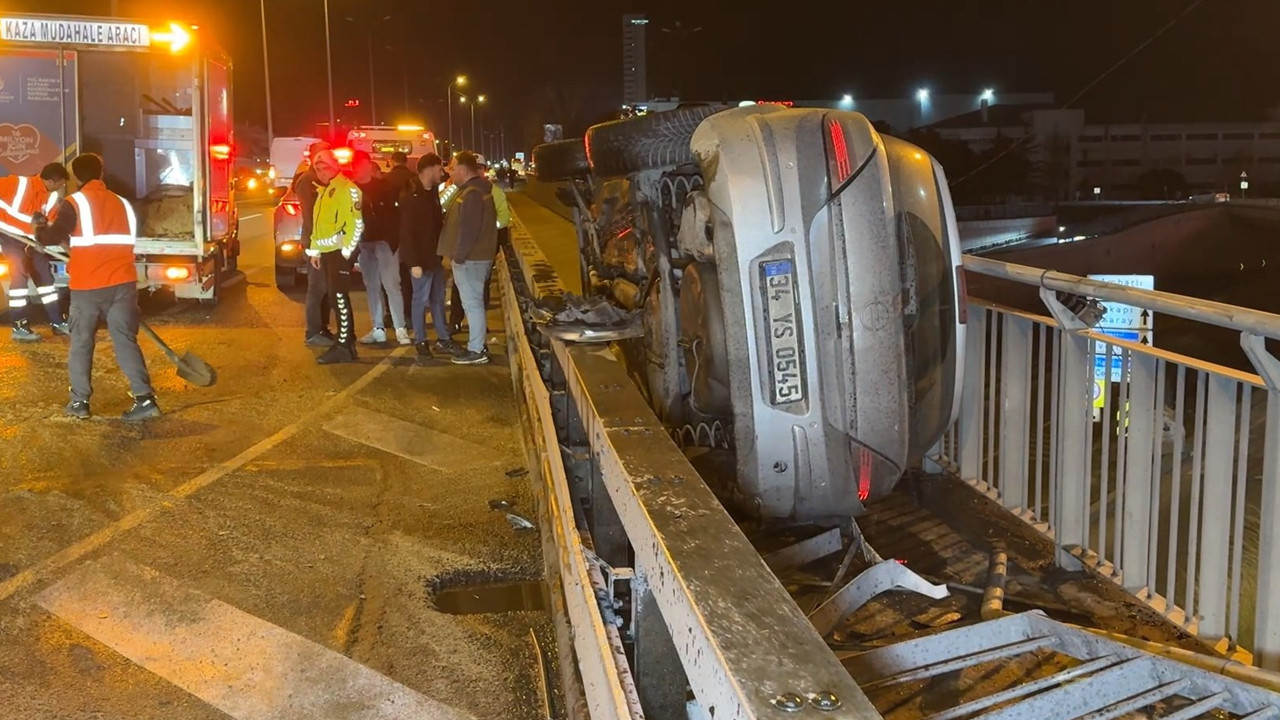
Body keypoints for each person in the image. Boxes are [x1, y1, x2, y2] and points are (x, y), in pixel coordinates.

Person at [34, 154, 158, 421]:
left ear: (77, 176)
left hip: (89, 285)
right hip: (123, 284)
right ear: (101, 172)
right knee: (126, 341)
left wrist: (39, 228)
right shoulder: (123, 203)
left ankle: (80, 402)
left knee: (81, 343)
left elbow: (52, 236)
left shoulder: (74, 203)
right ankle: (145, 399)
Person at [0, 162, 71, 342]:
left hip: (31, 241)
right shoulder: (17, 184)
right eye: (60, 183)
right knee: (19, 279)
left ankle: (58, 323)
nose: (62, 187)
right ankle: (19, 326)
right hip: (10, 239)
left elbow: (53, 225)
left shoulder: (51, 197)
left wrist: (68, 249)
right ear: (49, 181)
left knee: (46, 280)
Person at [304, 149, 363, 364]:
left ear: (336, 165)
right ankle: (345, 342)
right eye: (318, 168)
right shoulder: (324, 191)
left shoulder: (348, 190)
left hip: (338, 255)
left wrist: (346, 254)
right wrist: (316, 251)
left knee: (339, 299)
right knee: (334, 298)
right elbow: (320, 228)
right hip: (328, 255)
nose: (321, 172)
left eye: (325, 167)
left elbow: (355, 225)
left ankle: (344, 345)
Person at [438, 151, 496, 365]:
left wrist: (458, 256)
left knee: (471, 304)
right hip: (476, 256)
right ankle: (478, 344)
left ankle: (476, 349)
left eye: (452, 168)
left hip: (470, 258)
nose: (450, 173)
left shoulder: (471, 193)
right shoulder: (477, 190)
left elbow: (468, 228)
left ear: (462, 169)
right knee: (473, 303)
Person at [399, 153, 458, 357]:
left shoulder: (431, 192)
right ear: (429, 169)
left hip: (434, 257)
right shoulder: (410, 196)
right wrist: (413, 262)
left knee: (437, 299)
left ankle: (443, 338)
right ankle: (421, 341)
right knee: (420, 300)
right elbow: (406, 232)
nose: (441, 173)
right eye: (439, 168)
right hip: (420, 260)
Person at [350, 151, 409, 345]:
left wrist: (395, 238)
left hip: (385, 242)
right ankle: (378, 328)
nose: (358, 169)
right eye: (355, 165)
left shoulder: (385, 187)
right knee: (372, 286)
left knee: (392, 284)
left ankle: (400, 328)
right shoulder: (350, 189)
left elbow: (397, 212)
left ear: (369, 165)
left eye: (362, 164)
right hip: (364, 242)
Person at [447, 153, 508, 334]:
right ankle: (459, 324)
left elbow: (503, 219)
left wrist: (486, 230)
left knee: (477, 297)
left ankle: (477, 339)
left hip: (476, 251)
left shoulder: (487, 191)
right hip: (474, 249)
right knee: (465, 295)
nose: (480, 171)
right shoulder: (460, 189)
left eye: (481, 168)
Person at [296, 140, 334, 346]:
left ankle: (322, 327)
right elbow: (311, 215)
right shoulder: (308, 180)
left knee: (325, 288)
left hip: (324, 241)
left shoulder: (323, 179)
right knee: (317, 288)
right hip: (315, 242)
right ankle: (313, 332)